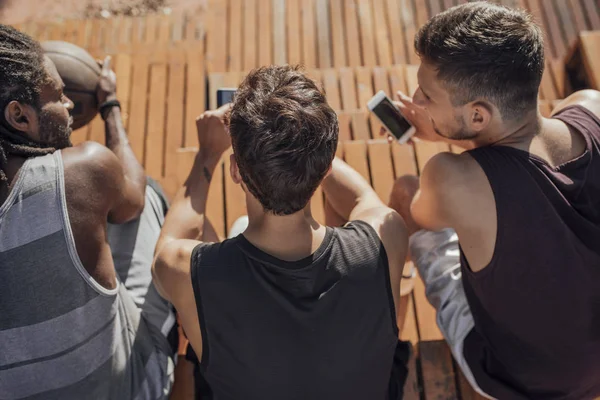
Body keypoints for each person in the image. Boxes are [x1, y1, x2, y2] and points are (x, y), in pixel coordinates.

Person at [152, 65, 410, 399]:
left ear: (235, 171)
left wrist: (208, 152)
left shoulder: (180, 269)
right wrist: (305, 152)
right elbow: (360, 197)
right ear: (327, 166)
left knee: (212, 243)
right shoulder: (385, 238)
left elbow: (172, 240)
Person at [386, 2, 600, 399]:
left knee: (403, 193)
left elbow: (426, 217)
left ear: (479, 117)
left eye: (428, 96)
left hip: (518, 380)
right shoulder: (590, 104)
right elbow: (529, 146)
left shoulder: (452, 178)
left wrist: (451, 139)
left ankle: (394, 307)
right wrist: (456, 127)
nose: (417, 98)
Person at [0, 25, 176, 399]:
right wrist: (110, 107)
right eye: (60, 96)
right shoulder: (83, 171)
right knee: (146, 201)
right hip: (127, 386)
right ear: (19, 116)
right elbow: (132, 195)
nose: (67, 107)